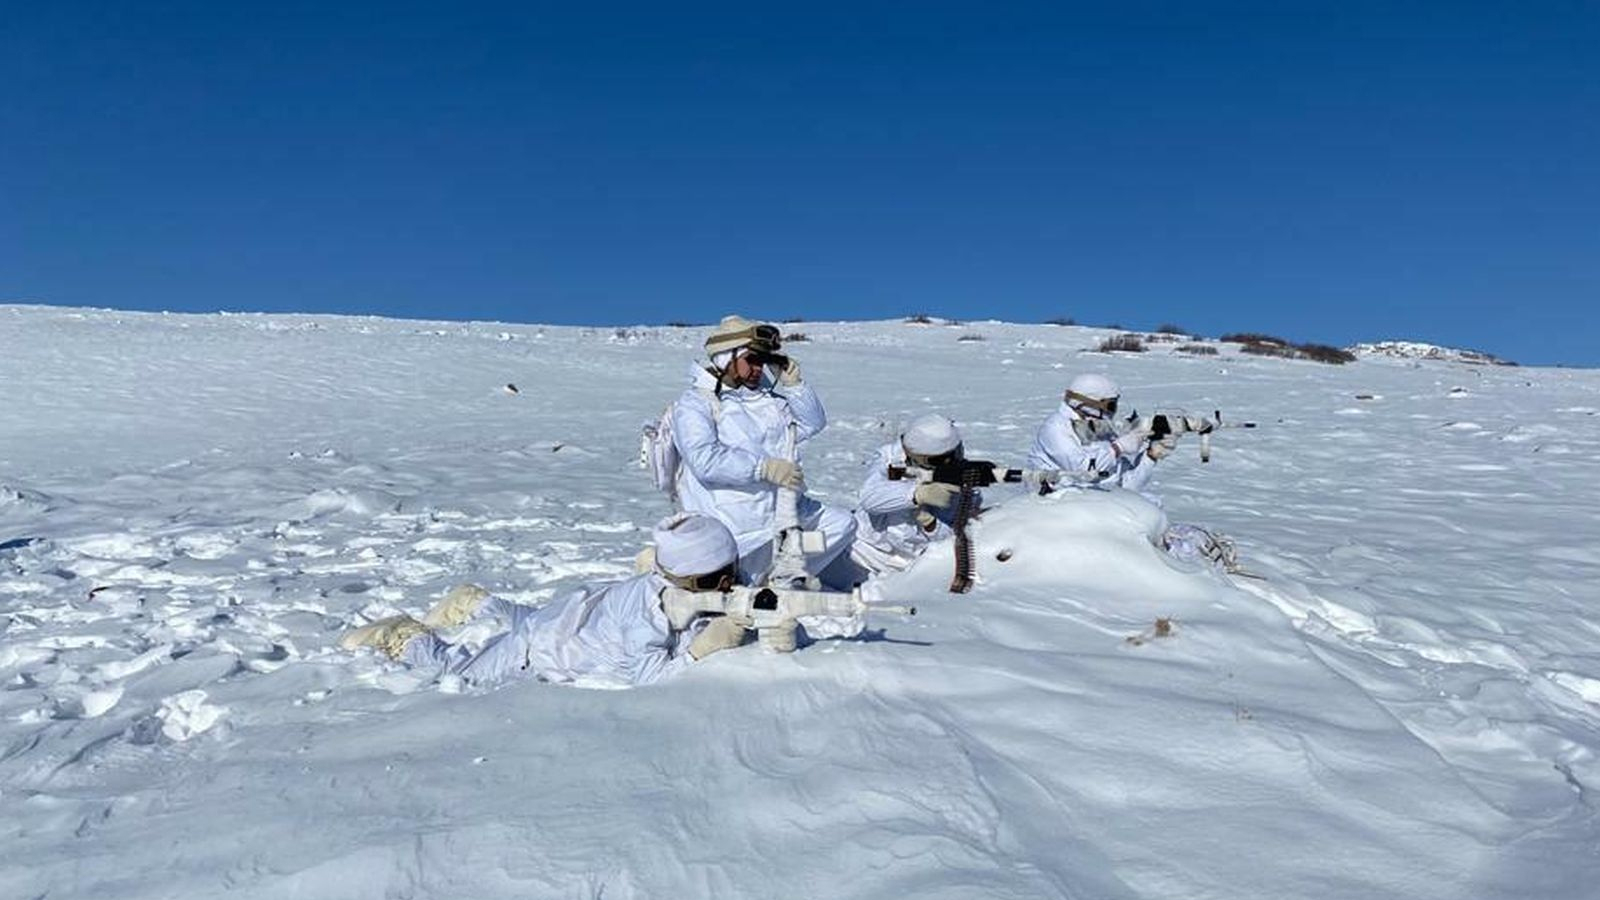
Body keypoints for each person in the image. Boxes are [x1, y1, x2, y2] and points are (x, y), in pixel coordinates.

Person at [339, 514, 753, 688]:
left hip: (571, 617)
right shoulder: (645, 619)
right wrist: (701, 650)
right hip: (542, 648)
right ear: (684, 580)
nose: (729, 584)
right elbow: (651, 683)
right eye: (715, 581)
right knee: (456, 675)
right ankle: (405, 635)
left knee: (534, 621)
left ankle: (478, 603)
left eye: (731, 572)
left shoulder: (683, 589)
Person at [669, 315, 857, 587]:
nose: (759, 368)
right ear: (726, 357)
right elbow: (704, 460)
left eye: (763, 361)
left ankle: (779, 582)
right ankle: (761, 584)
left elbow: (812, 423)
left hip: (785, 510)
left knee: (840, 524)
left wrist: (795, 386)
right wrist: (763, 468)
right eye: (752, 360)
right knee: (743, 580)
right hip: (738, 522)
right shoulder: (696, 403)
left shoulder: (768, 401)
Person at [849, 413, 977, 578]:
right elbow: (870, 498)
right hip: (864, 551)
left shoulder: (957, 480)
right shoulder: (890, 458)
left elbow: (952, 535)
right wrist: (917, 494)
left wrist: (931, 524)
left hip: (915, 563)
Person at [1027, 373, 1174, 499]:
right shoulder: (1056, 429)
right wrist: (1118, 448)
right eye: (1111, 405)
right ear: (1088, 403)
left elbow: (1126, 486)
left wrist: (1150, 457)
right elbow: (1084, 470)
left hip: (1095, 505)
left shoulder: (1099, 431)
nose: (1113, 411)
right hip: (1052, 505)